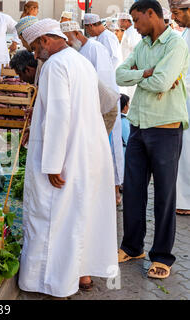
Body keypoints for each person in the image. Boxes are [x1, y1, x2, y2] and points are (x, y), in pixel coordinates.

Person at [17, 19, 118, 298]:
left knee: (52, 217)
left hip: (65, 156)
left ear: (46, 40)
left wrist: (51, 164)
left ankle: (52, 283)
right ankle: (82, 275)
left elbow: (59, 117)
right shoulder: (78, 60)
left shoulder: (55, 65)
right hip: (87, 152)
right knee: (78, 216)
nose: (35, 55)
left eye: (35, 48)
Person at [116, 0, 189, 279]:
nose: (134, 26)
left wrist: (143, 79)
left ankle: (162, 257)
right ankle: (132, 247)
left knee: (164, 196)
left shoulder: (175, 45)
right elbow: (119, 74)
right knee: (133, 191)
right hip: (138, 125)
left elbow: (161, 83)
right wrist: (146, 74)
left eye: (137, 20)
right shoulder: (143, 45)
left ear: (151, 14)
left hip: (166, 128)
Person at [61, 21, 124, 206]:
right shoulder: (78, 50)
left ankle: (114, 195)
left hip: (104, 107)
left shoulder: (95, 48)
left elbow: (103, 81)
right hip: (92, 108)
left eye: (68, 40)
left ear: (75, 34)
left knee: (107, 150)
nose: (68, 44)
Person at [170, 0, 190, 216]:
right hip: (182, 101)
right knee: (183, 151)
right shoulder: (184, 35)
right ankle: (183, 199)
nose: (174, 18)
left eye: (177, 13)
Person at [118, 12, 142, 99]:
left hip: (132, 67)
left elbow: (134, 47)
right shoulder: (129, 31)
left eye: (120, 21)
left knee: (132, 92)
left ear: (125, 21)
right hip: (128, 66)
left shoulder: (132, 31)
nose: (118, 23)